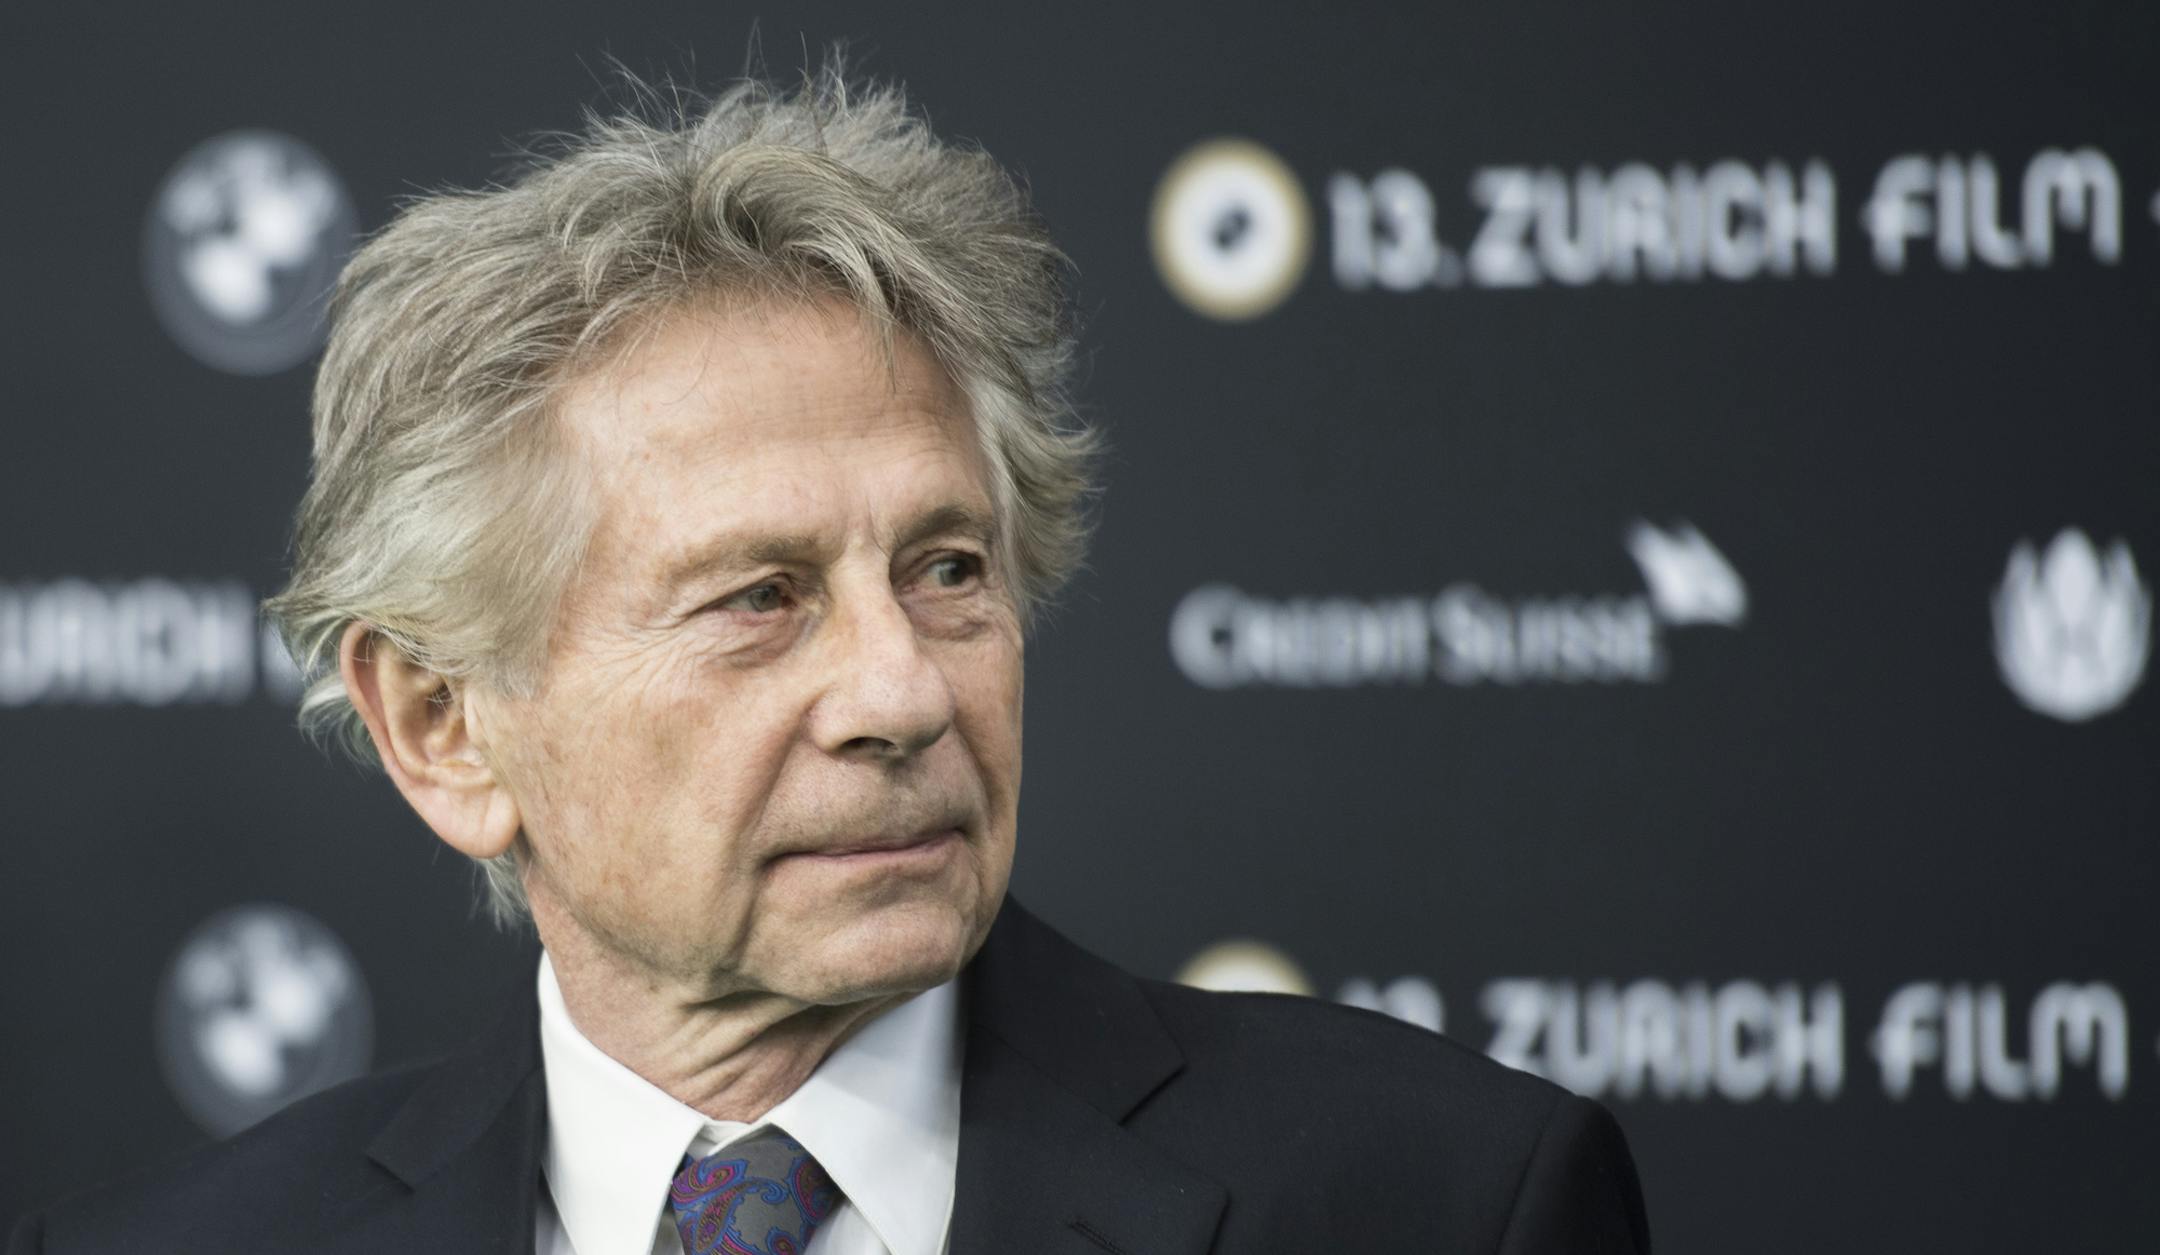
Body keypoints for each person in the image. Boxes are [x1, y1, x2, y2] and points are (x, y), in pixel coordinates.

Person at [8, 65, 1650, 1254]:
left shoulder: (1443, 1202)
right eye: (758, 599)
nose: (903, 693)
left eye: (947, 571)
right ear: (444, 726)